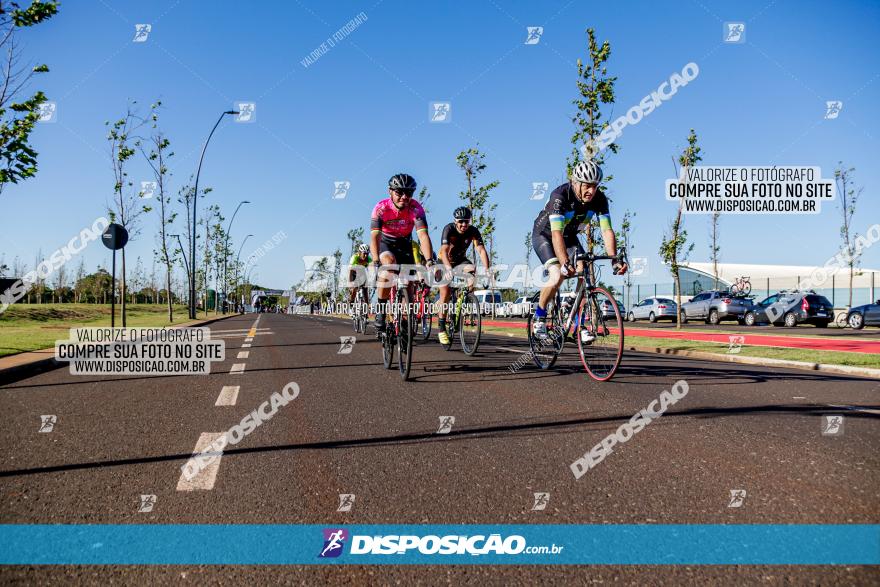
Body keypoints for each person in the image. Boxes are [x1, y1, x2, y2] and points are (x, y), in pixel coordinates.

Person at [530, 160, 628, 339]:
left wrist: (614, 259)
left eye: (595, 186)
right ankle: (540, 317)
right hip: (545, 235)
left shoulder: (599, 199)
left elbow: (606, 230)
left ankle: (578, 323)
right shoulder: (560, 196)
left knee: (586, 273)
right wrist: (564, 263)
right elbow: (557, 233)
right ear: (575, 182)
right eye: (587, 186)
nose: (591, 191)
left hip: (569, 237)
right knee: (557, 274)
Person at [370, 173, 435, 333]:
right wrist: (375, 260)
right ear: (390, 191)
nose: (404, 197)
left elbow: (423, 236)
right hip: (386, 244)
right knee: (389, 265)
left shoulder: (416, 208)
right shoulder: (380, 208)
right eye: (399, 192)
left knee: (410, 284)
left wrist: (429, 261)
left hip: (405, 244)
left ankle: (405, 324)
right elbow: (375, 236)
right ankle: (381, 309)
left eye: (409, 193)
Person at [436, 206, 490, 345]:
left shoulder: (473, 231)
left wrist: (487, 269)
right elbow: (444, 251)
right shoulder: (449, 229)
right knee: (445, 293)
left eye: (466, 221)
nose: (464, 225)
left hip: (460, 260)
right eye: (461, 222)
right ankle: (441, 328)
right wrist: (448, 269)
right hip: (444, 261)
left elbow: (481, 250)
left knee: (472, 271)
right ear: (455, 221)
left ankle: (463, 298)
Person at [348, 243, 372, 312]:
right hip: (353, 273)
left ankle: (367, 306)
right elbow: (350, 271)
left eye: (367, 254)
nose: (365, 255)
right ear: (359, 252)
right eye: (364, 253)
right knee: (354, 288)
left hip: (362, 273)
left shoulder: (368, 259)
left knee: (365, 289)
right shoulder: (355, 258)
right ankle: (351, 304)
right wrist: (350, 283)